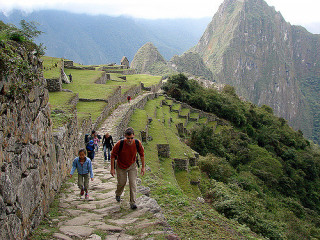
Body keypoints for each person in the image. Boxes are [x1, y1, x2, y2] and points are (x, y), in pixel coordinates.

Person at [110, 127, 145, 210]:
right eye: (128, 138)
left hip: (132, 166)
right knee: (122, 182)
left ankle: (133, 202)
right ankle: (118, 194)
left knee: (133, 183)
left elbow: (142, 154)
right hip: (121, 166)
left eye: (131, 138)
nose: (130, 140)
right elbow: (113, 155)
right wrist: (112, 168)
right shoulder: (120, 144)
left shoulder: (137, 143)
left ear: (134, 136)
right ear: (125, 136)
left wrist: (143, 167)